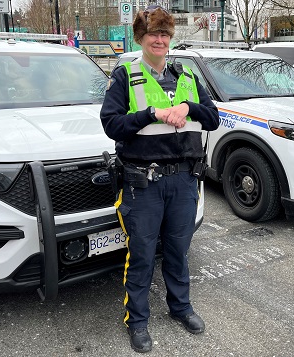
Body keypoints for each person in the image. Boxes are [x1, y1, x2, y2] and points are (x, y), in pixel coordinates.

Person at [100, 5, 219, 353]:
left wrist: (188, 108)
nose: (160, 39)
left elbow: (212, 117)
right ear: (141, 37)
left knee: (178, 251)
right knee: (141, 255)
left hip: (183, 181)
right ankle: (136, 321)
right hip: (143, 184)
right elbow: (111, 125)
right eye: (153, 33)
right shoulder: (125, 75)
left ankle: (180, 307)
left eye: (165, 34)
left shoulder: (186, 76)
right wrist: (150, 114)